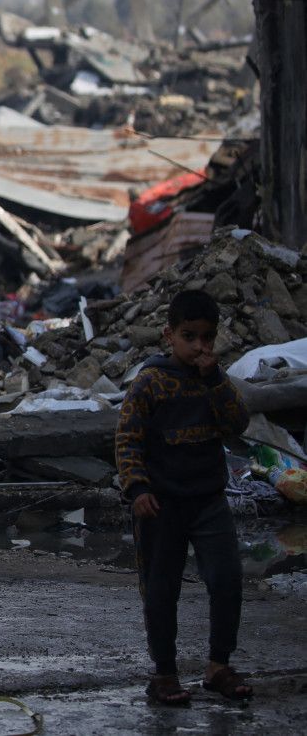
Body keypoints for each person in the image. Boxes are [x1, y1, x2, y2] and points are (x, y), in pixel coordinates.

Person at [115, 288, 253, 706]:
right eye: (189, 336)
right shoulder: (150, 382)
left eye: (207, 338)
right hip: (161, 505)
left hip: (207, 500)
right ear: (168, 335)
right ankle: (165, 674)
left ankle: (218, 666)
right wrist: (137, 488)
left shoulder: (213, 382)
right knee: (161, 590)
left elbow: (237, 424)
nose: (199, 347)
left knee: (227, 580)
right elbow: (128, 440)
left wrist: (215, 381)